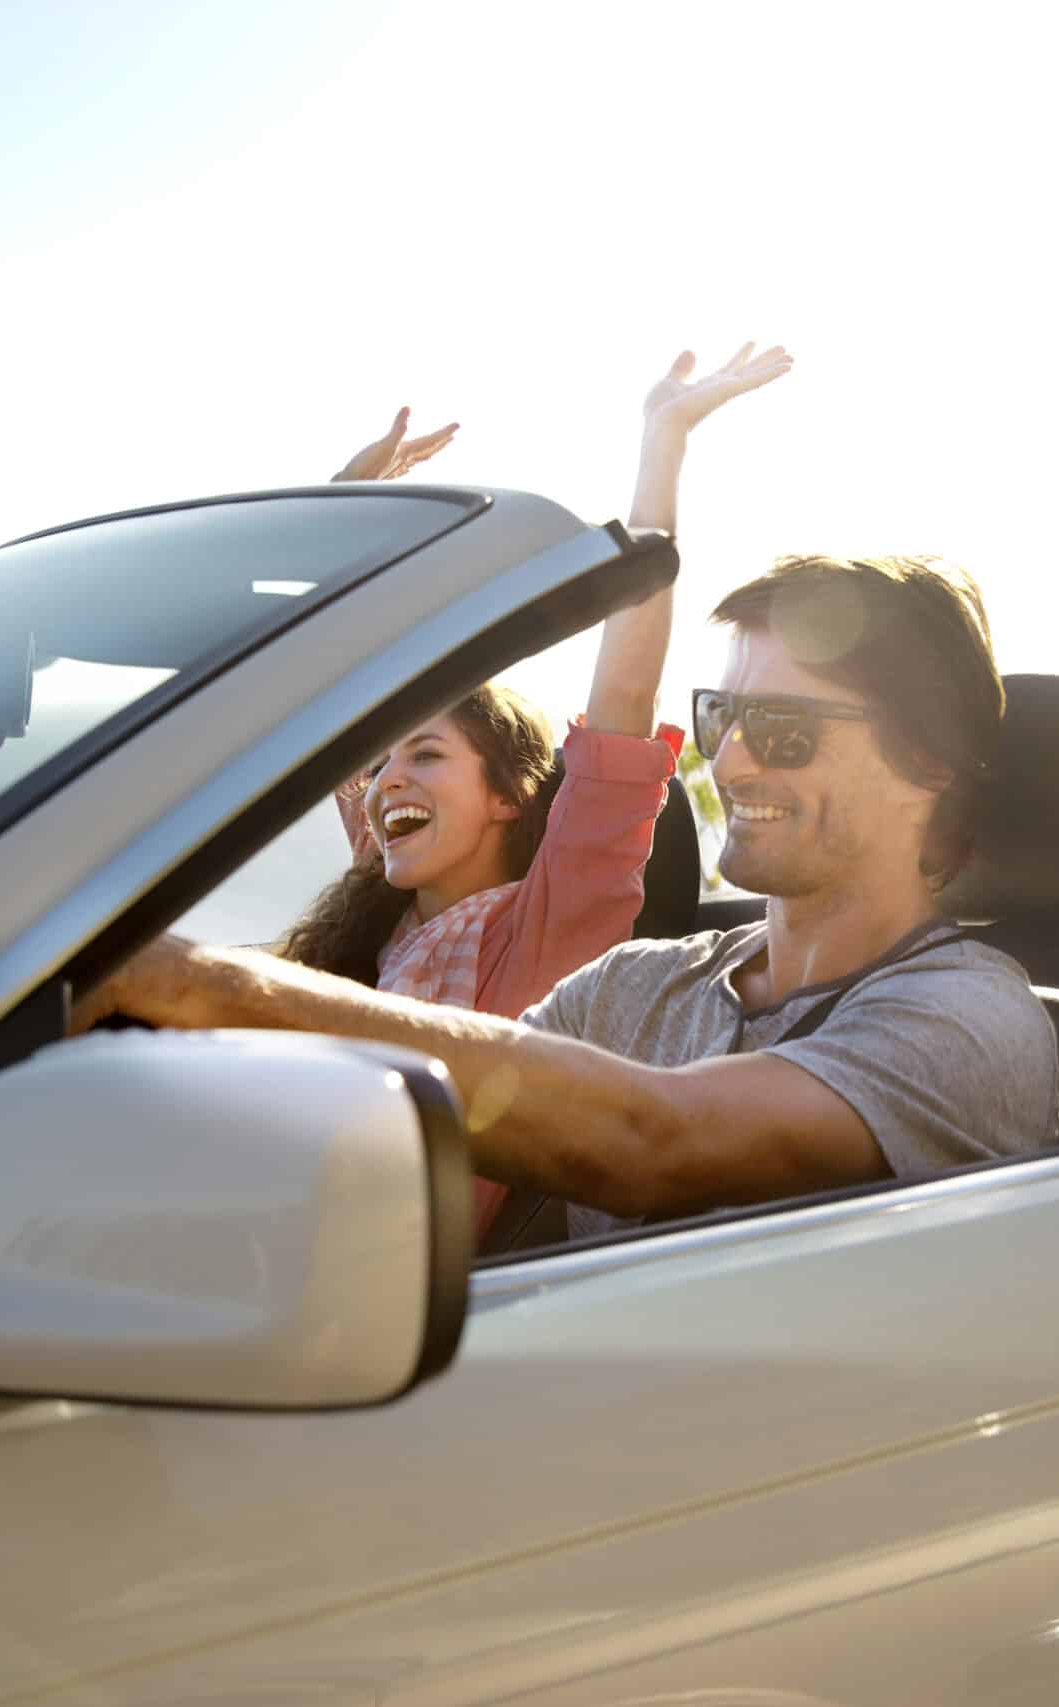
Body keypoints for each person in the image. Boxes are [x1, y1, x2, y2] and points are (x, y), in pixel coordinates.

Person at [78, 552, 1059, 1235]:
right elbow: (421, 1114)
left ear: (926, 763)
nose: (735, 761)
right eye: (721, 716)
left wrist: (196, 985)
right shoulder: (631, 989)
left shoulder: (965, 1020)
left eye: (787, 729)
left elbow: (654, 1140)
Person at [287, 345, 794, 1236]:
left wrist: (661, 444)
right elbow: (325, 693)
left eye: (428, 755)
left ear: (508, 797)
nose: (387, 780)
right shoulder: (383, 908)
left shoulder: (549, 933)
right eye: (381, 767)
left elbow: (625, 699)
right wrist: (342, 520)